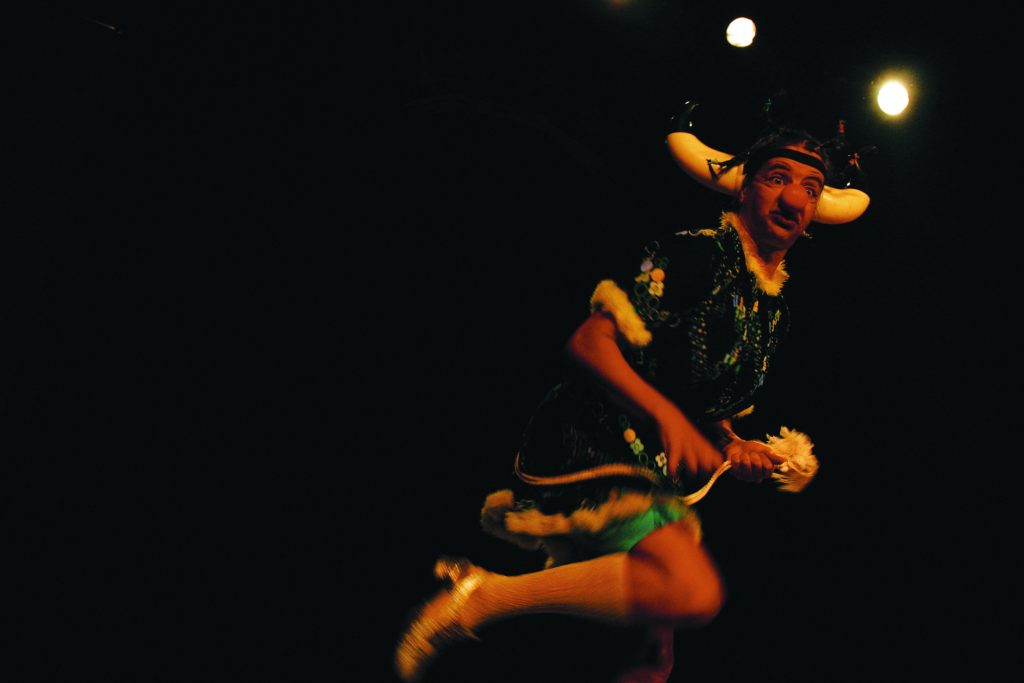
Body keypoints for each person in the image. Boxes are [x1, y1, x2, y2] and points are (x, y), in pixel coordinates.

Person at [394, 113, 870, 682]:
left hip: (652, 468)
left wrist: (733, 444)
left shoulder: (773, 311)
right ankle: (482, 597)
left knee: (650, 657)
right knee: (691, 591)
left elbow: (710, 409)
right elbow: (588, 343)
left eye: (811, 188)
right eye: (776, 178)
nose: (794, 197)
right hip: (592, 443)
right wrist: (665, 414)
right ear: (744, 188)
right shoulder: (692, 255)